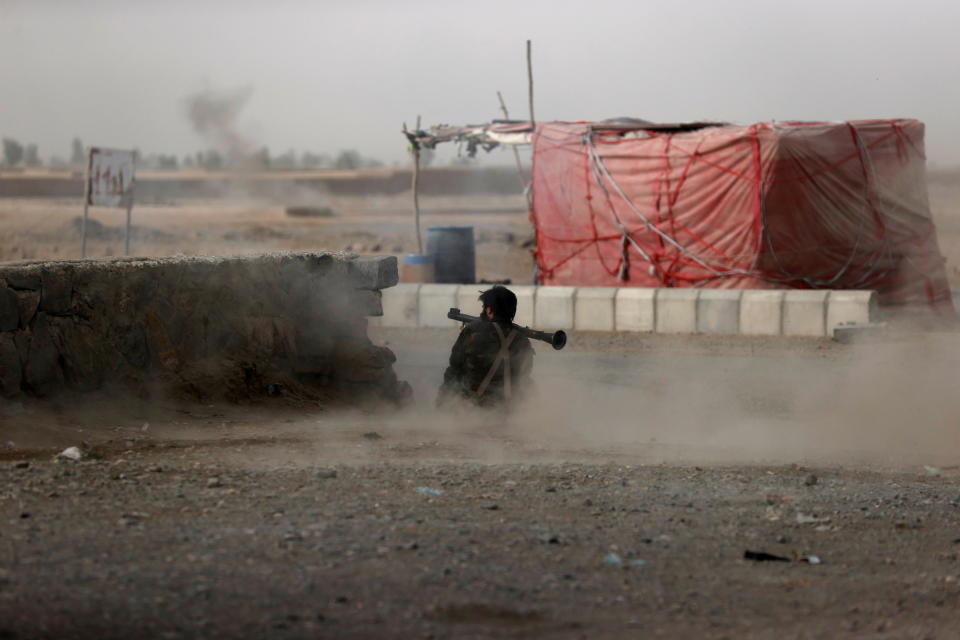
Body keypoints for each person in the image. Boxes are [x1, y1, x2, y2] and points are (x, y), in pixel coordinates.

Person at [436, 285, 535, 409]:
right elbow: (525, 375)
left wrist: (441, 405)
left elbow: (454, 370)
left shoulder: (473, 332)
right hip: (510, 409)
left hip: (473, 409)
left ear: (489, 310)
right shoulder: (522, 339)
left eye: (484, 307)